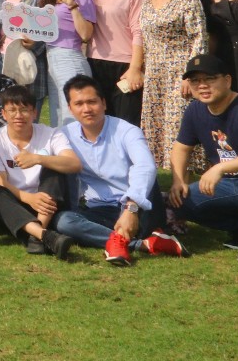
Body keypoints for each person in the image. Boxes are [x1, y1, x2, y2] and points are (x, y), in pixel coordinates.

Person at [54, 74, 185, 264]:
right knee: (64, 221)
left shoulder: (127, 131)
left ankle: (124, 239)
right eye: (79, 104)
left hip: (139, 205)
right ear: (70, 109)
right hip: (101, 209)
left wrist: (131, 209)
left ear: (104, 103)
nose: (87, 109)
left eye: (92, 102)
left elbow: (145, 167)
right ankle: (140, 244)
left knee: (145, 179)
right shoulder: (65, 135)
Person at [168, 54, 238, 264]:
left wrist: (220, 168)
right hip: (229, 185)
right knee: (177, 202)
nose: (202, 85)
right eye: (195, 81)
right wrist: (178, 180)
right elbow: (181, 148)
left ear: (227, 80)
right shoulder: (195, 110)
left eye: (209, 79)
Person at [131, 0, 206, 173]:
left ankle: (183, 182)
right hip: (155, 76)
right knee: (157, 127)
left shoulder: (188, 2)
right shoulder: (146, 4)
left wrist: (192, 75)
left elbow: (199, 39)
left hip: (180, 73)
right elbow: (144, 40)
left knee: (179, 125)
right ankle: (169, 181)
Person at [0, 84, 79, 257]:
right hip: (15, 206)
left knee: (54, 168)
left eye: (24, 110)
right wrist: (28, 198)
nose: (18, 116)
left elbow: (74, 164)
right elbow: (0, 180)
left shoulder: (51, 134)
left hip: (49, 204)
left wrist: (38, 159)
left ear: (34, 113)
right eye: (12, 110)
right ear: (3, 114)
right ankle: (43, 235)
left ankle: (37, 235)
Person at [81, 0, 146, 123]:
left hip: (125, 66)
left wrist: (135, 68)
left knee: (127, 122)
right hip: (95, 64)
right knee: (100, 121)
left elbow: (139, 31)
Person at [37, 0, 98, 127]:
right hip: (51, 60)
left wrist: (72, 5)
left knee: (73, 114)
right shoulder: (47, 1)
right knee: (58, 116)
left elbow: (86, 34)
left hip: (70, 59)